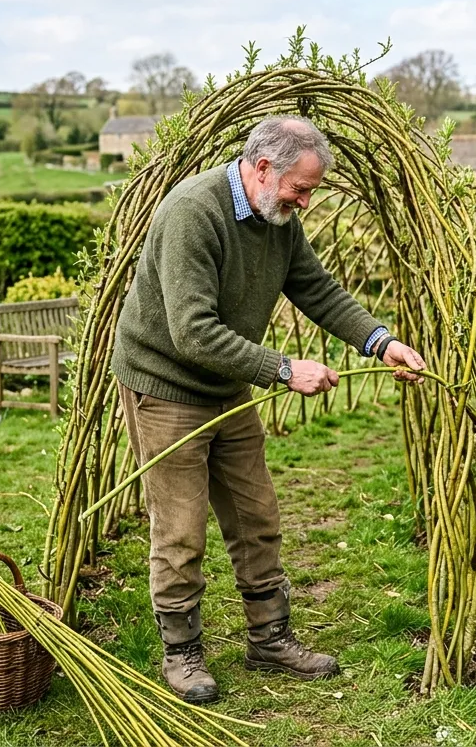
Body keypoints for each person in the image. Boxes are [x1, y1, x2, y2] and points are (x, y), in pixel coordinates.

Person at [111, 115, 427, 703]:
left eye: (310, 191)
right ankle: (181, 653)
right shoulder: (192, 214)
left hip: (226, 386)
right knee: (180, 530)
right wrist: (284, 370)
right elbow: (193, 333)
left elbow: (316, 288)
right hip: (166, 384)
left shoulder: (276, 219)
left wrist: (381, 342)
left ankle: (270, 639)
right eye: (299, 188)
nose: (304, 201)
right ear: (262, 169)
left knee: (257, 517)